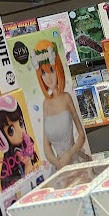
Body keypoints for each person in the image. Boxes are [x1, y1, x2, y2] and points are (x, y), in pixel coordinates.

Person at [33, 39, 90, 169]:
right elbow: (46, 145)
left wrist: (69, 154)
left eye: (51, 70)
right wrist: (57, 162)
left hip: (75, 160)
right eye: (43, 73)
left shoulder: (66, 98)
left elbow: (81, 135)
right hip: (59, 166)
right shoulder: (46, 104)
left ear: (58, 68)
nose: (48, 77)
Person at [0, 95, 40, 190]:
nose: (21, 132)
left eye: (21, 123)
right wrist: (27, 167)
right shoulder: (11, 160)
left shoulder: (25, 145)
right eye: (11, 130)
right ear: (0, 137)